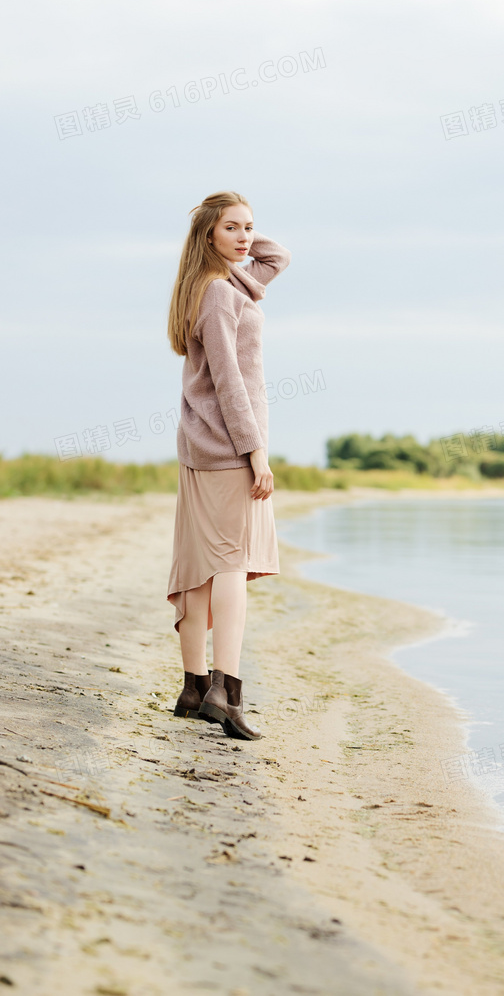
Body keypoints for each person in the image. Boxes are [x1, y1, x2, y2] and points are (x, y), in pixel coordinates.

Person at [165, 190, 291, 741]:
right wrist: (255, 449)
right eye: (232, 229)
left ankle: (194, 688)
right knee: (230, 567)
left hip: (201, 449)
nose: (246, 238)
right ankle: (227, 691)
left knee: (199, 569)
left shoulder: (222, 284)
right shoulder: (220, 293)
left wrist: (225, 230)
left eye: (249, 227)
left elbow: (276, 257)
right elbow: (229, 381)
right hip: (227, 450)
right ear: (207, 238)